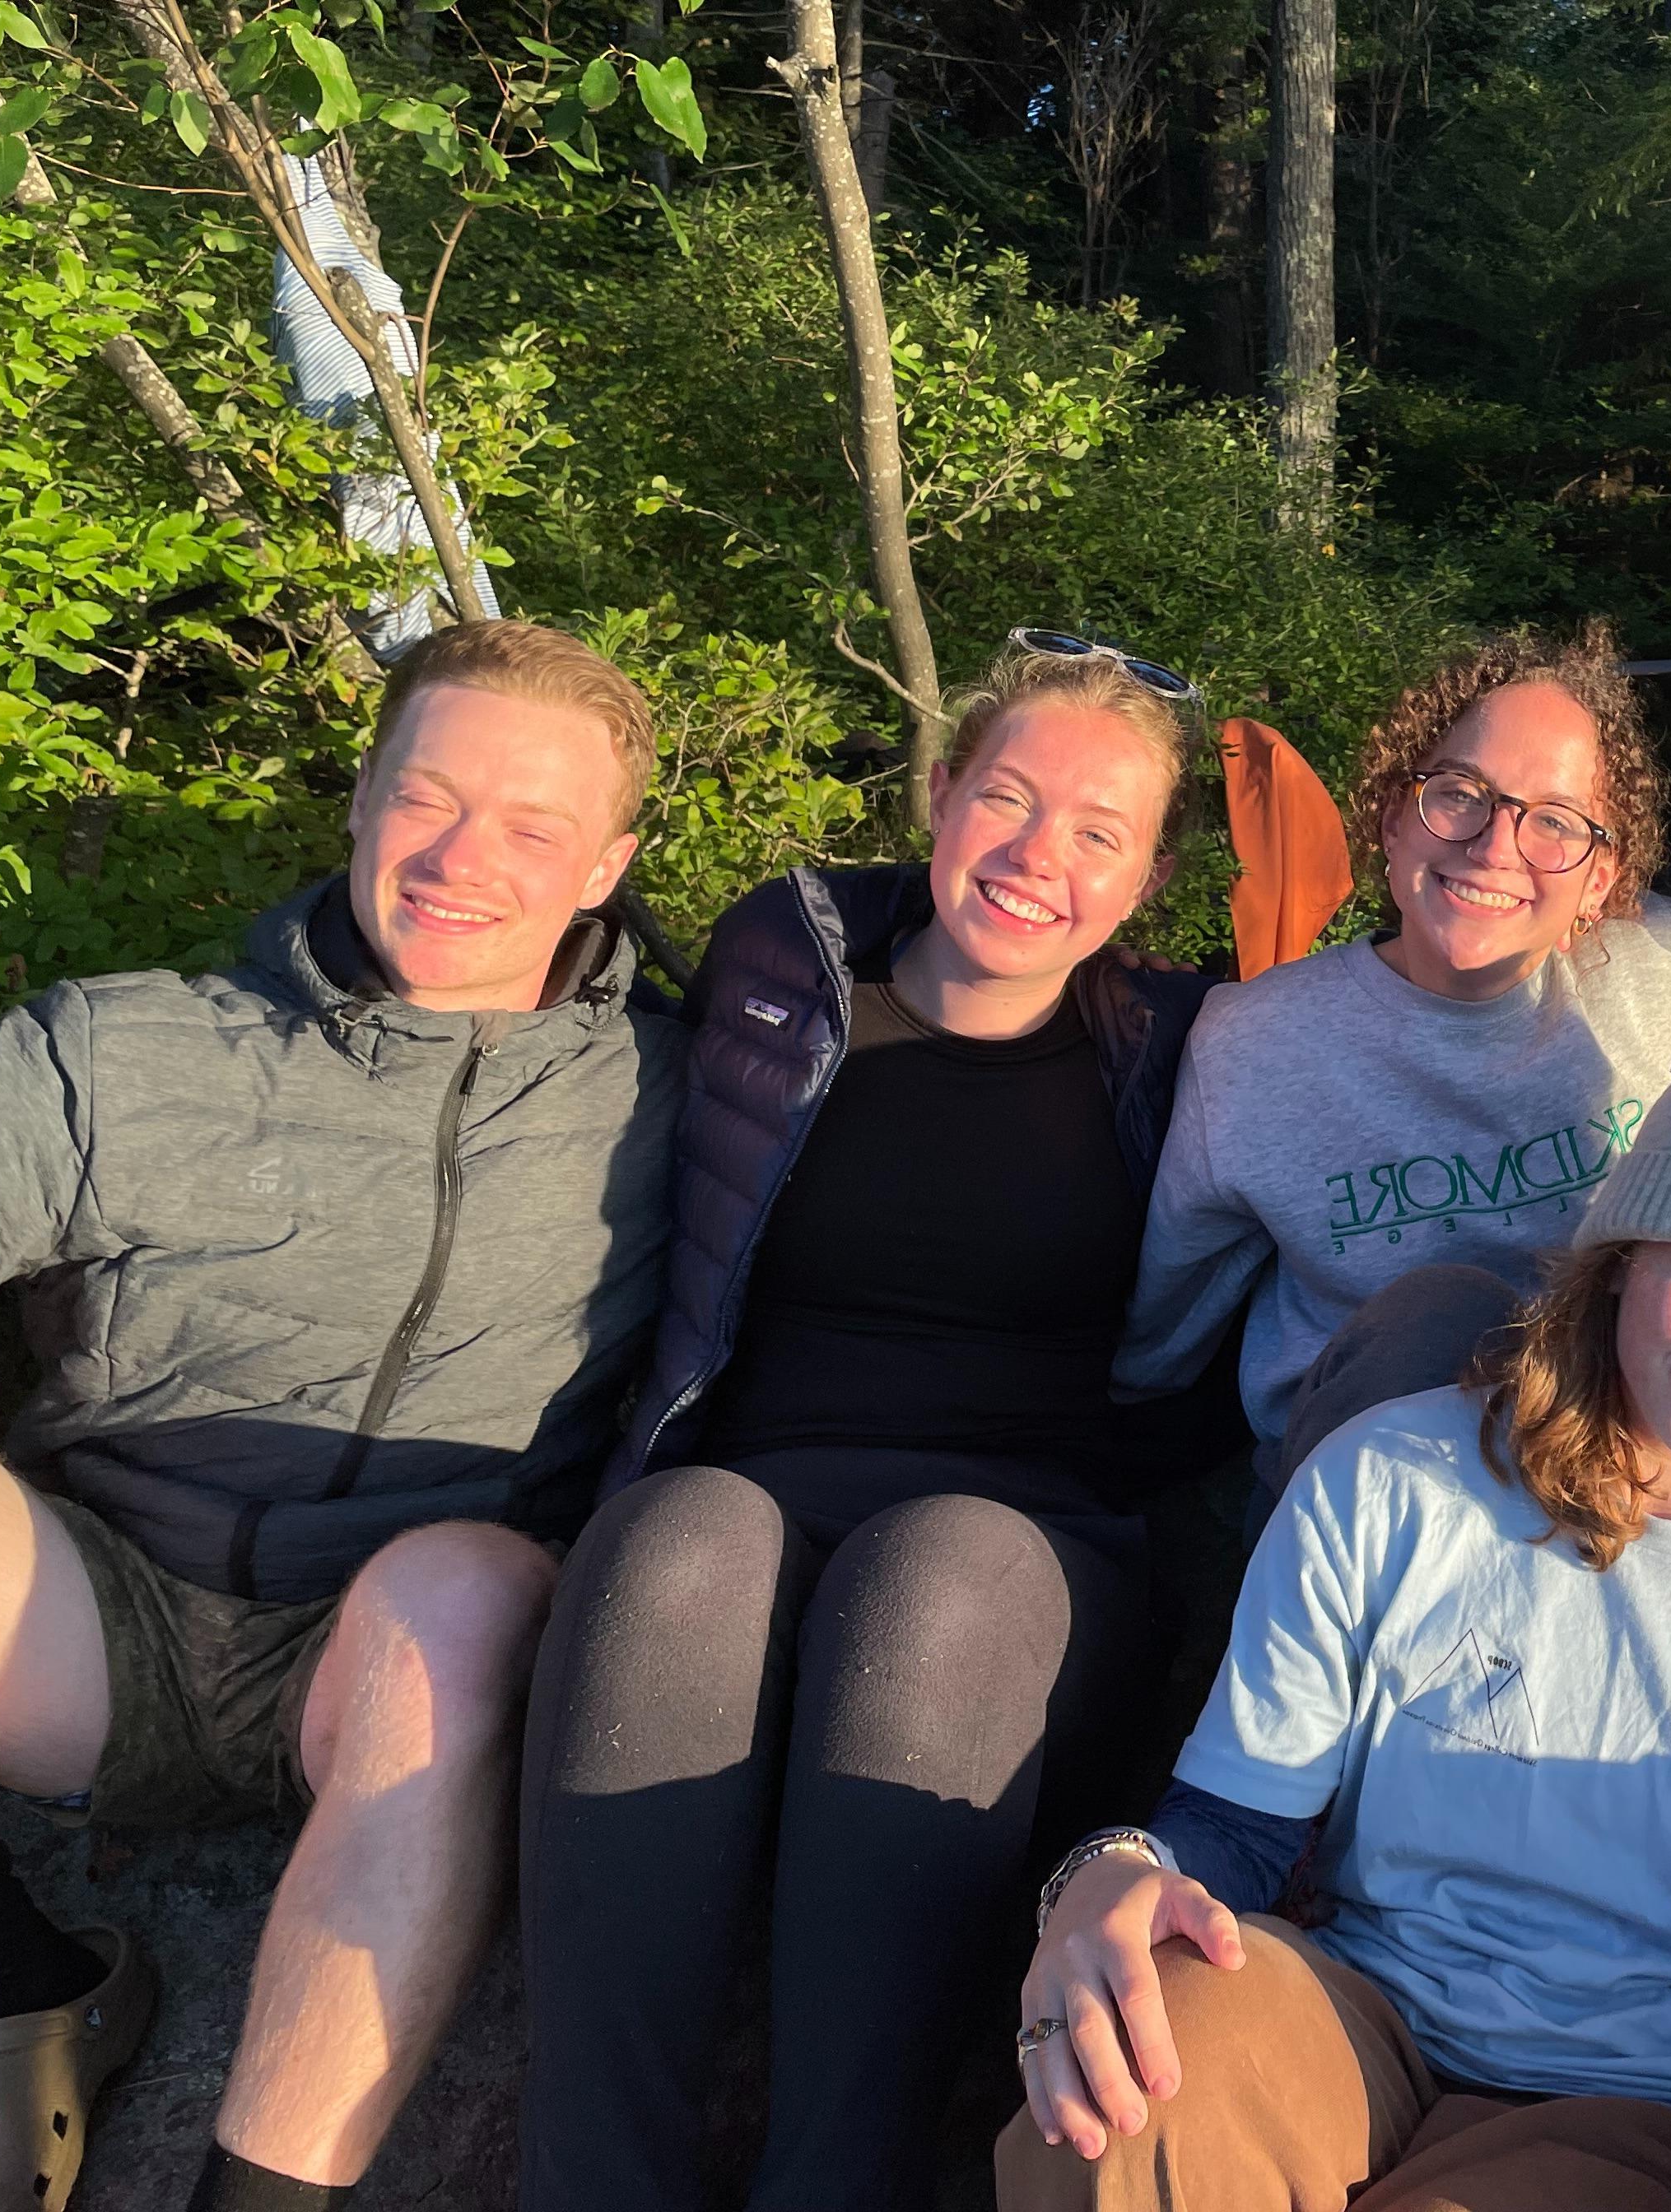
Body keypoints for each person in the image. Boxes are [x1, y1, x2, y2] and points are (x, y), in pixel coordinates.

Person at [0, 620, 682, 2212]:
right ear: (361, 798)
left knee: (469, 1582)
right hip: (86, 1626)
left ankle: (265, 2194)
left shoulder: (681, 1097)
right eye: (427, 796)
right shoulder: (133, 1054)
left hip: (390, 1672)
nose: (460, 859)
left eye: (534, 826)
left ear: (607, 864)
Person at [1001, 1023, 1671, 2212]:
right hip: (1369, 2030)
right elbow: (1238, 1832)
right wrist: (1115, 1872)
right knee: (1130, 2082)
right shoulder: (1392, 1482)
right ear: (1620, 1258)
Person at [517, 633, 1221, 2212]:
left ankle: (837, 2181)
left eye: (1098, 833)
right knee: (675, 1533)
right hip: (747, 1497)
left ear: (1144, 876)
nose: (1041, 856)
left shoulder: (1177, 1044)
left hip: (1026, 1554)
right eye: (1009, 799)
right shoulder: (786, 954)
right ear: (940, 790)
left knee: (939, 1568)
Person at [1114, 623, 1671, 1492]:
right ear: (1393, 818)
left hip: (1606, 1464)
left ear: (1601, 880)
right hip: (1360, 1480)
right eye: (1461, 793)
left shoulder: (1652, 967)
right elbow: (1172, 1310)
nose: (1496, 845)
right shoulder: (1258, 1044)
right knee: (1436, 1317)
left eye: (1554, 821)